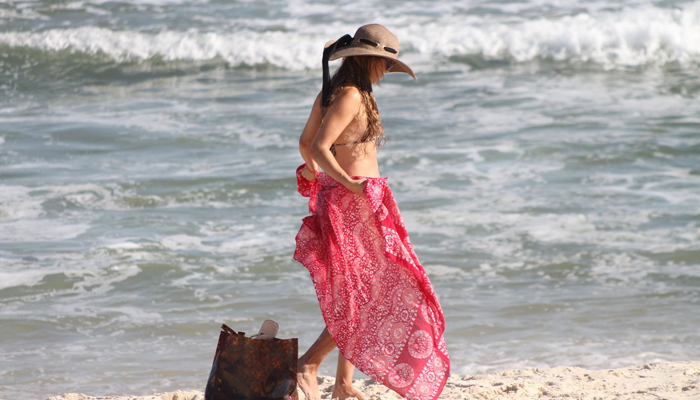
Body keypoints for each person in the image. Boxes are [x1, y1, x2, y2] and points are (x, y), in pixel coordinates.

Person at [294, 24, 450, 400]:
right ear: (367, 60)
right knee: (368, 295)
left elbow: (305, 145)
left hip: (355, 200)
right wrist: (349, 185)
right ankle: (308, 365)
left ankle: (344, 384)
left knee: (359, 293)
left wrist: (320, 178)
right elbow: (319, 148)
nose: (384, 71)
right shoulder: (349, 95)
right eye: (382, 63)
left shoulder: (336, 92)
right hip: (354, 202)